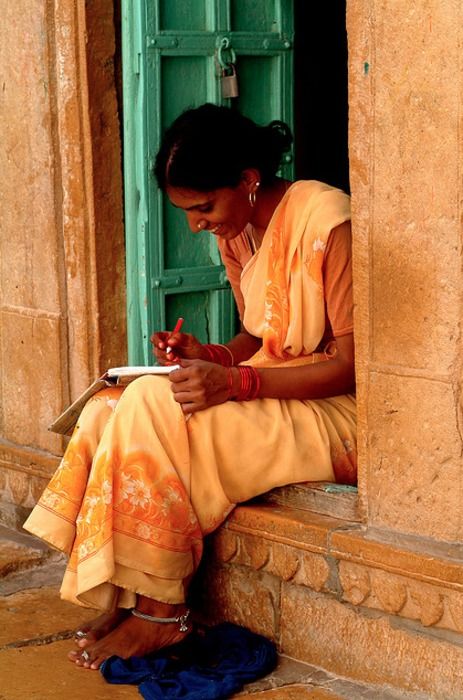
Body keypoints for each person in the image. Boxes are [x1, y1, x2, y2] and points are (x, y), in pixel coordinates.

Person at [23, 103, 357, 670]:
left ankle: (162, 613)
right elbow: (261, 334)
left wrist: (234, 381)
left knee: (152, 402)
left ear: (249, 181)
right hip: (270, 388)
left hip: (334, 409)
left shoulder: (328, 221)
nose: (196, 225)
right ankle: (125, 593)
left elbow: (351, 365)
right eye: (187, 211)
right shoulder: (240, 232)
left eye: (203, 207)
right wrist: (209, 356)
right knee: (112, 405)